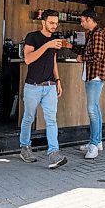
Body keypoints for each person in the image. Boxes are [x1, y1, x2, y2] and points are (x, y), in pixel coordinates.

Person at [19, 9, 67, 168]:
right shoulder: (32, 37)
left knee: (52, 120)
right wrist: (47, 45)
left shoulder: (54, 39)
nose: (54, 26)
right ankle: (25, 147)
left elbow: (53, 61)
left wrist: (58, 80)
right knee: (29, 118)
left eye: (56, 23)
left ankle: (54, 153)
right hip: (32, 86)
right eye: (51, 23)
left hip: (50, 86)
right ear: (43, 22)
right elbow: (28, 59)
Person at [75, 9, 105, 159]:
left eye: (82, 20)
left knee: (91, 109)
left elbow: (97, 56)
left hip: (96, 76)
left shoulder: (96, 34)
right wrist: (71, 47)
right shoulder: (93, 34)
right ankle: (97, 141)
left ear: (90, 19)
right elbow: (86, 52)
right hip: (92, 75)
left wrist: (82, 59)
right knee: (95, 108)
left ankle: (94, 145)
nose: (81, 23)